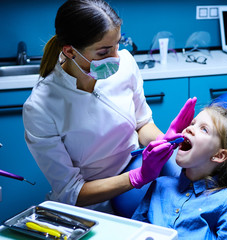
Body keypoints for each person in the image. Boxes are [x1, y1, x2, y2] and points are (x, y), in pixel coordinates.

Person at [22, 0, 196, 213]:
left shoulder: (126, 64)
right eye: (103, 52)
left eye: (117, 45)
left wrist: (163, 142)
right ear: (69, 51)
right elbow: (71, 192)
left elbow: (142, 124)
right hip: (92, 204)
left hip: (136, 177)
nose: (117, 57)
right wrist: (136, 178)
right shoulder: (41, 107)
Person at [132, 105, 227, 240]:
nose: (189, 128)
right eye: (192, 123)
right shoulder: (159, 185)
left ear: (219, 156)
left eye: (204, 129)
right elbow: (134, 232)